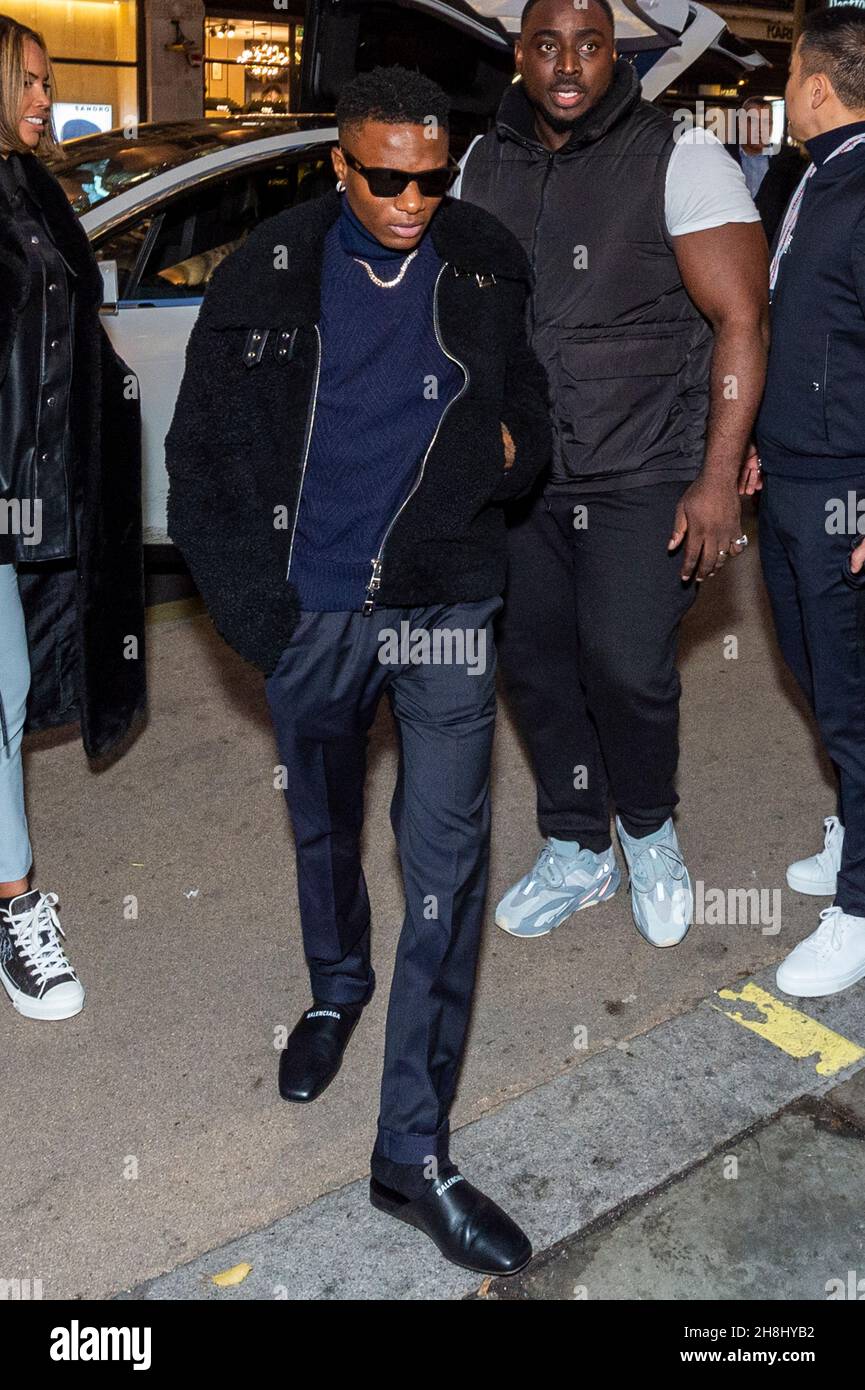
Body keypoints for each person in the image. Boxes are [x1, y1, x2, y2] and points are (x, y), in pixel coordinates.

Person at [165, 66, 551, 1275]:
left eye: (430, 179)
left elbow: (528, 403)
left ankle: (412, 1154)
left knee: (448, 858)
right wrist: (259, 621)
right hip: (315, 608)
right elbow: (201, 458)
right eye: (384, 177)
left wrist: (511, 452)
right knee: (325, 827)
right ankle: (336, 986)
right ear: (340, 166)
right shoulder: (266, 273)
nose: (409, 200)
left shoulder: (483, 254)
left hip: (444, 602)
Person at [457, 0, 769, 946]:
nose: (567, 64)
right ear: (519, 54)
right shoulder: (483, 160)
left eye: (589, 45)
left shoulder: (680, 155)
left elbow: (741, 324)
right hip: (525, 473)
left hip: (643, 467)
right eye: (547, 44)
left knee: (626, 665)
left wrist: (716, 479)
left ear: (614, 54)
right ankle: (578, 848)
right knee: (536, 668)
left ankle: (648, 830)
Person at [0, 15, 146, 1020]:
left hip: (20, 499)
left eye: (48, 83)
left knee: (7, 695)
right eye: (33, 82)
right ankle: (17, 904)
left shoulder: (28, 186)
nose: (47, 100)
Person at [745, 5, 865, 999]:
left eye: (788, 76)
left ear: (817, 85)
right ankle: (852, 827)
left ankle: (863, 907)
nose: (780, 93)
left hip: (844, 492)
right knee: (810, 667)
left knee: (855, 694)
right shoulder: (817, 175)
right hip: (789, 472)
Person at [726, 96, 809, 244]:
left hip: (772, 249)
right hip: (731, 246)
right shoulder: (723, 156)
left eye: (767, 122)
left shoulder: (791, 161)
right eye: (754, 121)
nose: (761, 128)